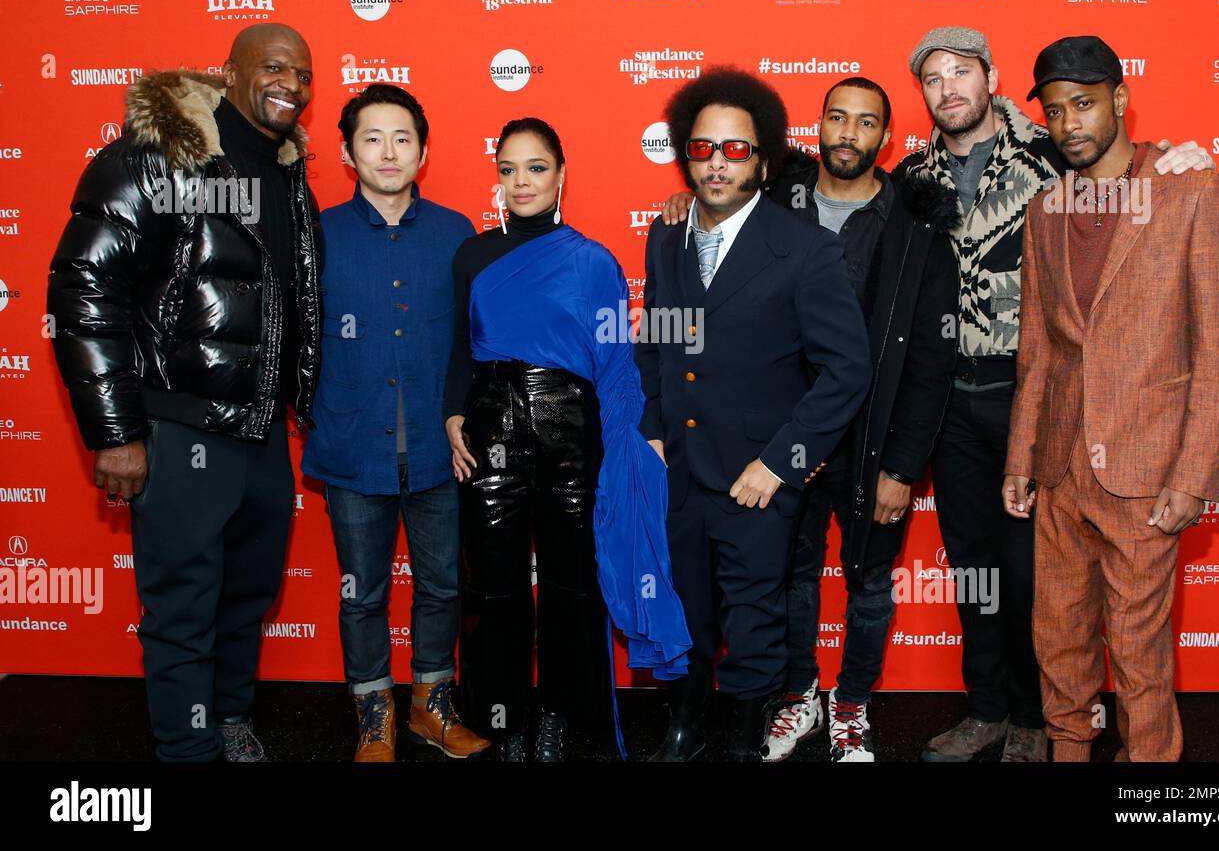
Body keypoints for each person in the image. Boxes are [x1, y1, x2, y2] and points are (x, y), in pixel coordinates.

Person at [897, 26, 1216, 762]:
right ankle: (989, 709)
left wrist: (1181, 154)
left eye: (961, 71)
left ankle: (1036, 721)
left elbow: (1127, 160)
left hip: (1035, 400)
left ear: (991, 79)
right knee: (975, 570)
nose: (948, 88)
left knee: (1037, 584)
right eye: (933, 78)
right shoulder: (913, 174)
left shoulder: (1050, 151)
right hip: (951, 402)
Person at [47, 24, 321, 762]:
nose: (291, 86)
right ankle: (187, 750)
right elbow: (84, 288)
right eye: (274, 67)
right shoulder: (158, 156)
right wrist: (116, 432)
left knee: (247, 595)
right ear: (228, 73)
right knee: (183, 609)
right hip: (180, 426)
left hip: (260, 428)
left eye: (303, 75)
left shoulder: (287, 173)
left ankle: (227, 718)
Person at [1004, 36, 1219, 762]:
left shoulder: (1192, 190)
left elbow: (1218, 351)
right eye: (1054, 111)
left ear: (1120, 98)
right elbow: (1038, 348)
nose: (1069, 123)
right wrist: (1020, 458)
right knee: (1058, 637)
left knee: (1138, 651)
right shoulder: (1045, 209)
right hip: (1059, 466)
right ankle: (1069, 750)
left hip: (1145, 466)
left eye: (1083, 103)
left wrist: (1194, 474)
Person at [637, 67, 872, 762]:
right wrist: (653, 427)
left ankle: (744, 743)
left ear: (763, 161)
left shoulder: (805, 248)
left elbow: (847, 369)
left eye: (735, 149)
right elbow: (656, 339)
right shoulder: (665, 236)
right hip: (681, 468)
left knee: (754, 619)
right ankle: (686, 728)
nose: (717, 163)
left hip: (756, 478)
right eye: (703, 148)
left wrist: (781, 463)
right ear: (686, 155)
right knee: (688, 605)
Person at [444, 117, 690, 761]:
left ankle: (557, 714)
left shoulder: (594, 261)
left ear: (561, 174)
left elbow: (615, 363)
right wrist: (450, 416)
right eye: (508, 169)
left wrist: (633, 443)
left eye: (536, 168)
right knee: (492, 587)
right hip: (490, 430)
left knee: (571, 587)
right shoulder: (472, 254)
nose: (521, 182)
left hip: (572, 437)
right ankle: (501, 719)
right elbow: (458, 350)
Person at [760, 79, 959, 762]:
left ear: (886, 138)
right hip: (789, 432)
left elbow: (930, 360)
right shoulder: (772, 207)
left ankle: (851, 704)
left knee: (870, 580)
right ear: (818, 125)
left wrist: (903, 466)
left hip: (875, 437)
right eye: (838, 118)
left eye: (865, 122)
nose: (848, 133)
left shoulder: (915, 229)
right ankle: (798, 695)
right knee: (791, 571)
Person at [303, 84, 489, 762]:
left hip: (441, 452)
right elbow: (297, 342)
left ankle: (429, 706)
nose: (388, 151)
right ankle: (373, 714)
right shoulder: (319, 235)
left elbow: (474, 342)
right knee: (362, 593)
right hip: (353, 448)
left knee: (442, 586)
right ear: (348, 153)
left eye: (402, 138)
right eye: (372, 138)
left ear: (423, 152)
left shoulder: (455, 233)